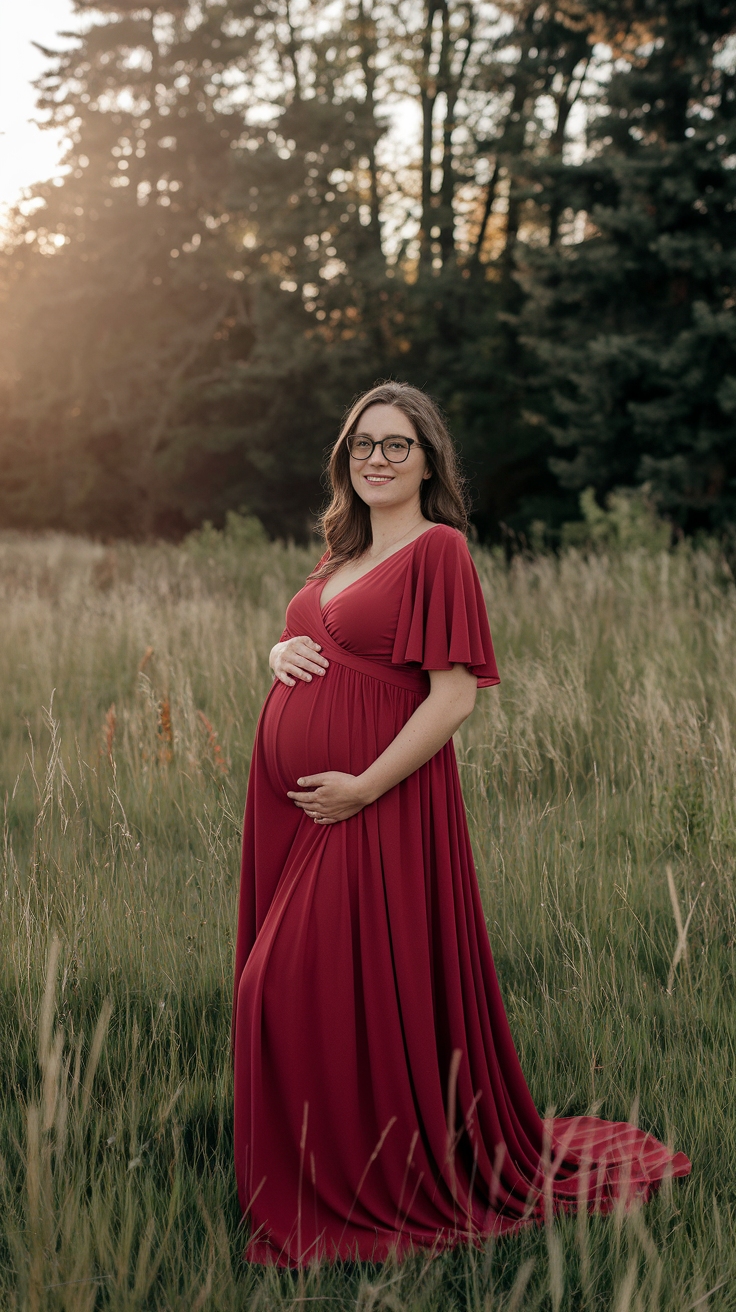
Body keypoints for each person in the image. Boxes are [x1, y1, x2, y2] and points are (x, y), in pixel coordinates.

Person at [231, 381, 690, 1267]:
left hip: (377, 802)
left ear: (429, 460)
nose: (376, 458)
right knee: (315, 986)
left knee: (275, 988)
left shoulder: (438, 550)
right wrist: (277, 648)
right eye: (362, 444)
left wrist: (364, 786)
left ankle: (371, 1180)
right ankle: (323, 1160)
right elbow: (324, 647)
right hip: (299, 813)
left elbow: (452, 697)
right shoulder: (340, 558)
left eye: (397, 445)